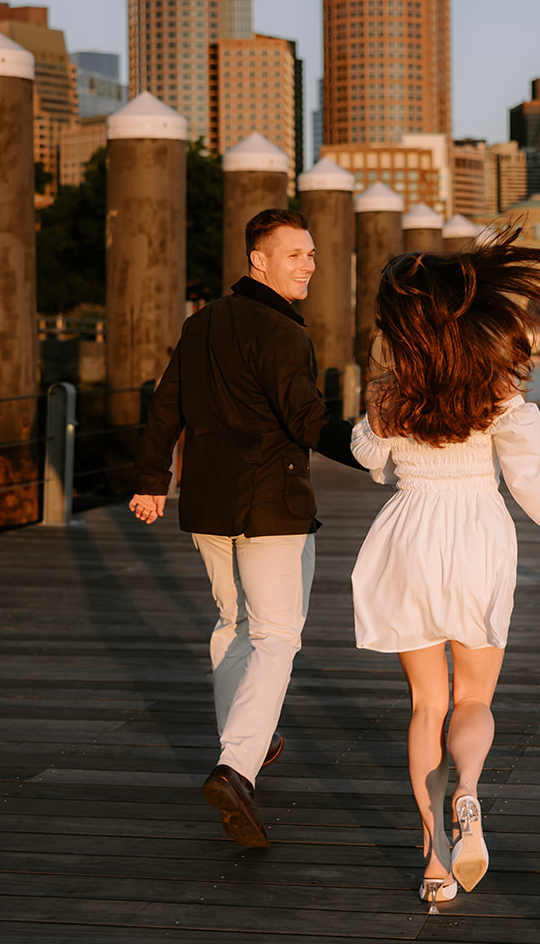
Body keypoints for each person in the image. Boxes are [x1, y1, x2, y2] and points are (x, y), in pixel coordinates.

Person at [349, 230, 540, 904]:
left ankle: (436, 857)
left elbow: (365, 457)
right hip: (478, 535)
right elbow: (533, 488)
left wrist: (377, 418)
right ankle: (468, 789)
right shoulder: (498, 390)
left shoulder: (388, 390)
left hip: (408, 533)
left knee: (425, 704)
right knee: (472, 700)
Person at [131, 208, 358, 849]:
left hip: (207, 503)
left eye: (312, 254)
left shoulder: (200, 322)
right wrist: (373, 451)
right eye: (295, 255)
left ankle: (242, 739)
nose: (308, 265)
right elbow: (306, 418)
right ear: (258, 260)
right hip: (270, 506)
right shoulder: (284, 332)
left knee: (233, 624)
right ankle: (237, 766)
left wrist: (152, 479)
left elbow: (165, 402)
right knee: (278, 635)